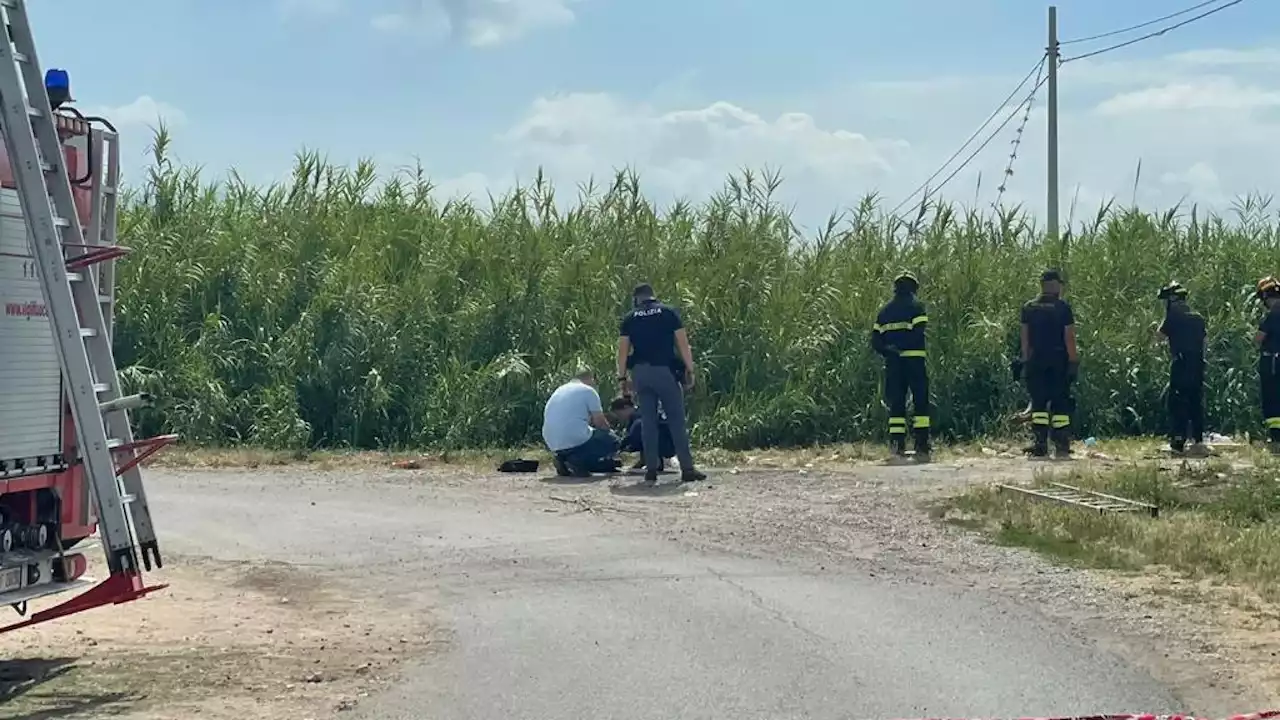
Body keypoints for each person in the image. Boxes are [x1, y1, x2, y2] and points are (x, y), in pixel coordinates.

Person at [616, 283, 706, 485]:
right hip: (664, 372)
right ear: (652, 296)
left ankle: (651, 469)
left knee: (648, 422)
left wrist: (622, 378)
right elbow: (682, 343)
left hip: (640, 373)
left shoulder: (630, 318)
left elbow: (622, 352)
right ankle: (687, 469)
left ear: (637, 299)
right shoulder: (668, 313)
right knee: (676, 420)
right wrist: (689, 369)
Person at [870, 271, 931, 459]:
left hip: (894, 363)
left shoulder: (884, 312)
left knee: (896, 402)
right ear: (913, 288)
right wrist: (903, 348)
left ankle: (897, 444)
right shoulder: (917, 307)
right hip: (915, 361)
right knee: (920, 401)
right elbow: (918, 333)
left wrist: (890, 351)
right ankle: (921, 444)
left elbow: (875, 340)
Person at [1019, 268, 1079, 458]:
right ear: (1054, 285)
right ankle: (1061, 444)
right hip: (1058, 359)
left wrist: (1026, 360)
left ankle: (1040, 444)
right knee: (1060, 402)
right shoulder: (1062, 308)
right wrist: (1073, 360)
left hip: (1036, 359)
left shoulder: (1029, 307)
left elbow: (1025, 338)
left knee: (1038, 403)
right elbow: (1069, 337)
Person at [1156, 281, 1207, 456]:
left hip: (1181, 363)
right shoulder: (1198, 318)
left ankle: (1178, 440)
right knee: (1195, 400)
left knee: (1177, 401)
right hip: (1198, 364)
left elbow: (1159, 337)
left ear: (1171, 299)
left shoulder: (1173, 318)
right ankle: (1198, 440)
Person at [541, 369, 621, 477]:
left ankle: (562, 458)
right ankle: (577, 459)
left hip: (551, 441)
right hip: (574, 438)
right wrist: (612, 433)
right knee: (613, 440)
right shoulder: (588, 391)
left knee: (585, 437)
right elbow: (601, 423)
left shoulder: (560, 390)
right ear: (591, 378)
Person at [609, 396, 676, 471]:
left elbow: (634, 438)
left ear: (626, 407)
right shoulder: (636, 417)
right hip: (665, 441)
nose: (619, 417)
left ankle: (655, 461)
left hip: (667, 443)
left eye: (619, 414)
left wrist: (623, 446)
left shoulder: (640, 415)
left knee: (640, 428)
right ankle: (649, 461)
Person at [1254, 276, 1280, 453]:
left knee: (1271, 397)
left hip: (1272, 361)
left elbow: (1258, 339)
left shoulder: (1272, 315)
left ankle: (1276, 436)